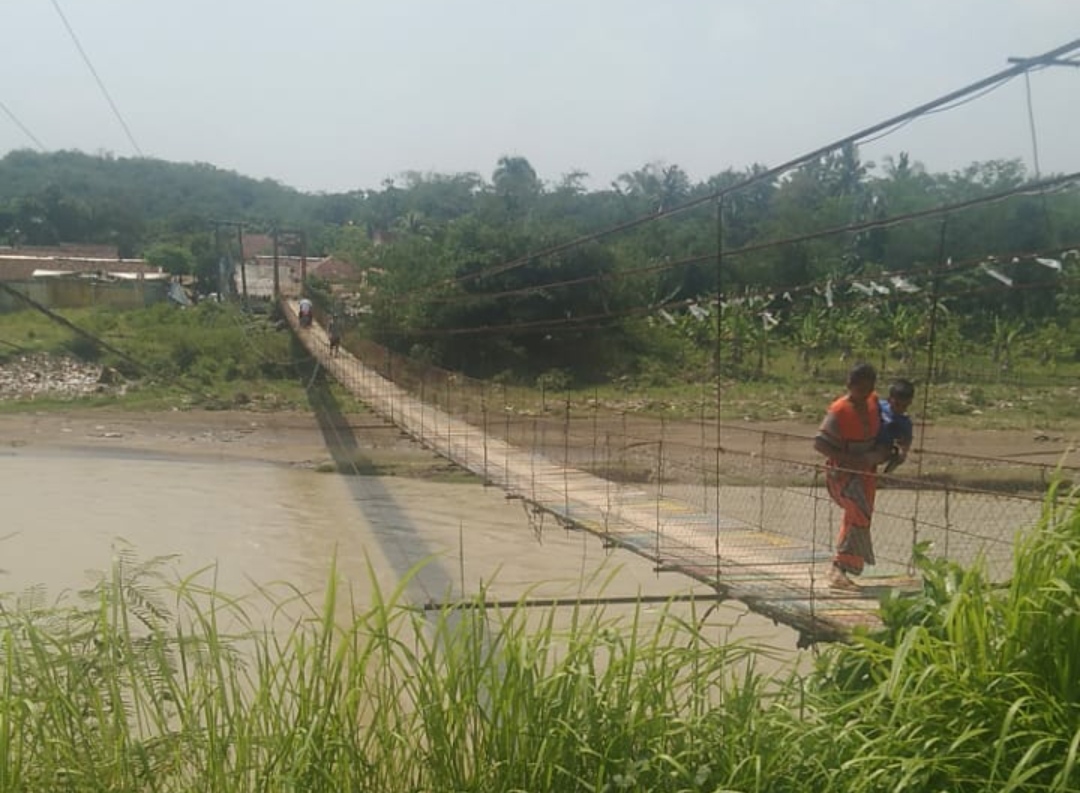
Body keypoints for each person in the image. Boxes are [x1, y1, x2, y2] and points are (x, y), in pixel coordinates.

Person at [813, 362, 881, 591]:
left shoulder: (874, 402)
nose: (864, 395)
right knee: (857, 513)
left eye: (869, 389)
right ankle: (839, 567)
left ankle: (843, 567)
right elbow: (820, 443)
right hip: (843, 473)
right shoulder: (839, 410)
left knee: (861, 516)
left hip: (866, 473)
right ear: (849, 386)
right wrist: (849, 460)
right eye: (860, 390)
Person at [876, 378, 915, 474]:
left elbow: (906, 442)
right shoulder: (878, 406)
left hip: (884, 447)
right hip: (868, 440)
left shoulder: (905, 423)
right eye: (897, 404)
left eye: (904, 406)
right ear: (889, 400)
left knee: (900, 456)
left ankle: (884, 475)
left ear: (910, 403)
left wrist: (903, 452)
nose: (900, 408)